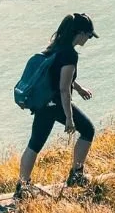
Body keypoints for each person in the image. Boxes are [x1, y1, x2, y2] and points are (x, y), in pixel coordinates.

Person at [16, 12, 97, 196]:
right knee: (88, 130)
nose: (89, 39)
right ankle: (76, 175)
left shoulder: (55, 47)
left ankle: (23, 186)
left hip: (44, 104)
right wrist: (69, 118)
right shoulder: (70, 55)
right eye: (89, 35)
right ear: (81, 33)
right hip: (56, 104)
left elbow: (60, 77)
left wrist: (78, 88)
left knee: (34, 144)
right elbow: (62, 88)